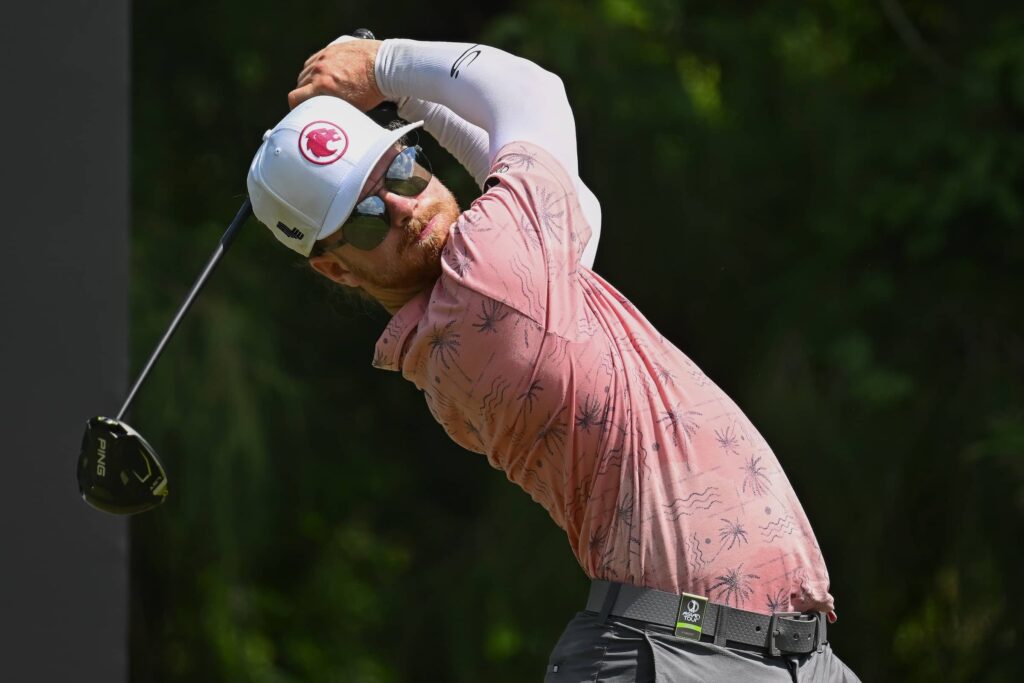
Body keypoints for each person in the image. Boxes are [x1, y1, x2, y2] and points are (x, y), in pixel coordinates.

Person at [246, 34, 861, 682]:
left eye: (401, 169)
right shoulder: (490, 280)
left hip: (775, 655)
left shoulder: (477, 311)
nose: (403, 206)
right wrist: (382, 67)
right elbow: (533, 97)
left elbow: (565, 194)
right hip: (676, 656)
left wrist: (396, 90)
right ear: (338, 270)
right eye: (366, 215)